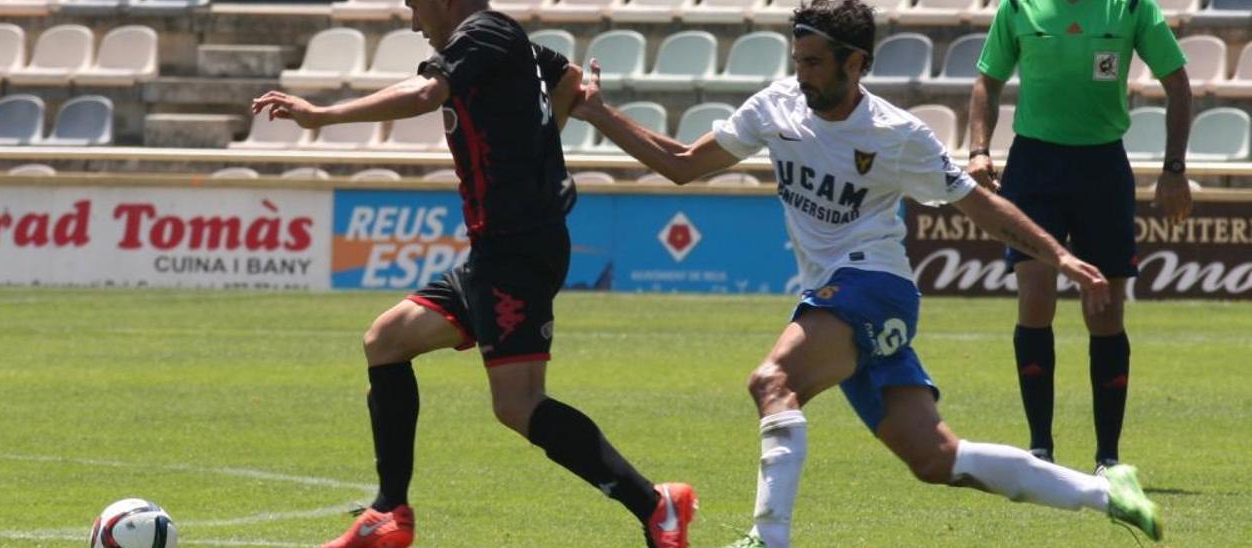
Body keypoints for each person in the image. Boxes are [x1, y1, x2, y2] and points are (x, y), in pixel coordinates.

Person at [569, 0, 1164, 546]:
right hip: (839, 294)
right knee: (938, 460)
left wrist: (1056, 255)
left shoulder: (896, 133)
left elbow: (980, 206)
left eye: (816, 62)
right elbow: (681, 164)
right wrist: (597, 112)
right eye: (798, 60)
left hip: (876, 287)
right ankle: (1108, 492)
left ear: (856, 63)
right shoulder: (776, 107)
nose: (802, 74)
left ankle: (767, 538)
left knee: (772, 381)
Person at [252, 1, 696, 546]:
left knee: (518, 404)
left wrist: (321, 117)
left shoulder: (483, 32)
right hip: (493, 251)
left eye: (416, 7)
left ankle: (657, 505)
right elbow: (569, 80)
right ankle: (389, 514)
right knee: (387, 340)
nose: (415, 24)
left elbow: (424, 95)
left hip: (518, 250)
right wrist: (539, 153)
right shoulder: (511, 46)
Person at [967, 0, 1192, 472]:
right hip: (1034, 166)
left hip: (1102, 167)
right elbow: (988, 80)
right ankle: (1039, 450)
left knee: (1105, 308)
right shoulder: (1019, 7)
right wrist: (979, 150)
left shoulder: (1131, 7)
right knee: (1035, 295)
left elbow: (1178, 84)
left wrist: (1174, 168)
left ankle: (1108, 457)